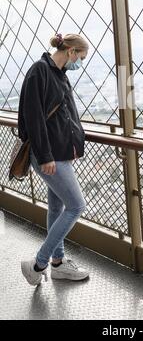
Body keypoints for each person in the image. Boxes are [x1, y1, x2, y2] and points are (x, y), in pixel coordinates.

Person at [18, 33, 90, 285]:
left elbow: (65, 115)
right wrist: (46, 155)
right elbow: (33, 117)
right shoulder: (39, 71)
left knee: (58, 207)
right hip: (49, 156)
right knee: (76, 206)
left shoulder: (60, 74)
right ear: (70, 51)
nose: (79, 63)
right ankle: (38, 264)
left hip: (61, 153)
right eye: (80, 58)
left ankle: (58, 264)